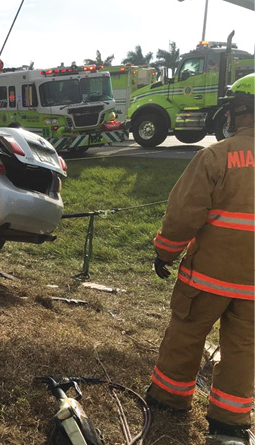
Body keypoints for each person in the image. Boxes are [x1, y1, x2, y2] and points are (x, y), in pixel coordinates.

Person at [147, 73, 254, 444]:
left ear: (239, 112)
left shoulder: (216, 156)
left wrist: (165, 252)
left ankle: (168, 400)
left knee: (186, 335)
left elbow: (183, 215)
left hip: (208, 277)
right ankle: (229, 423)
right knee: (244, 349)